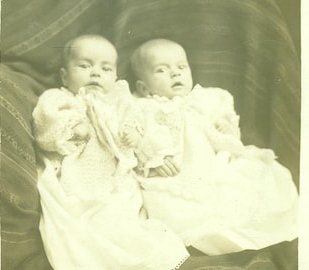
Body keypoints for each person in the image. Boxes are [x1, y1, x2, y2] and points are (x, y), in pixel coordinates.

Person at [127, 38, 299, 256]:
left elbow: (226, 136)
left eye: (181, 67)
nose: (175, 74)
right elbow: (137, 139)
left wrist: (226, 127)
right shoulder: (144, 108)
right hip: (175, 175)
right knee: (173, 210)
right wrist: (152, 158)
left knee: (253, 180)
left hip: (214, 166)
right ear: (143, 87)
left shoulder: (206, 99)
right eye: (161, 70)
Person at [32, 35, 190, 270]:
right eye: (85, 66)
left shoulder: (120, 102)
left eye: (105, 68)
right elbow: (45, 122)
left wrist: (135, 135)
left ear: (115, 77)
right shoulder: (61, 98)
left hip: (118, 178)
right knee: (81, 222)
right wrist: (73, 128)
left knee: (124, 219)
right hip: (77, 172)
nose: (95, 73)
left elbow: (139, 126)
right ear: (65, 76)